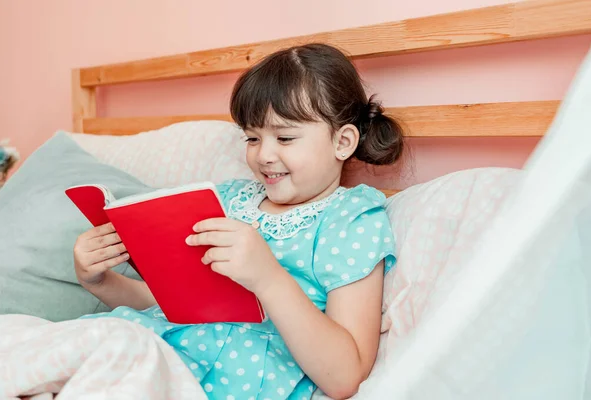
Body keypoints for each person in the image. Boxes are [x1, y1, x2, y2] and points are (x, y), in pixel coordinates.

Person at [74, 43, 404, 400]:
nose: (263, 155)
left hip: (232, 379)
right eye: (252, 137)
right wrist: (99, 281)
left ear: (342, 141)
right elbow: (172, 304)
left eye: (285, 137)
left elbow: (345, 376)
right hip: (161, 343)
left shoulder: (350, 219)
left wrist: (269, 278)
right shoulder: (230, 199)